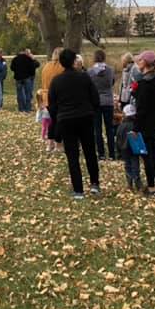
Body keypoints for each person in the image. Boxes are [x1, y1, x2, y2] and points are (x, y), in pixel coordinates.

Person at [47, 48, 101, 198]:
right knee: (90, 151)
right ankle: (95, 183)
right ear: (73, 61)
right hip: (85, 117)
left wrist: (57, 118)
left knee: (72, 155)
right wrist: (92, 112)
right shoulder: (84, 78)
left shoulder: (56, 81)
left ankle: (78, 190)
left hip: (66, 119)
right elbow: (95, 98)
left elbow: (52, 104)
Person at [133, 50, 155, 195]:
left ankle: (151, 185)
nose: (138, 63)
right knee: (154, 154)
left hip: (146, 124)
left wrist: (135, 128)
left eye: (140, 61)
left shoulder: (144, 83)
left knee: (147, 156)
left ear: (145, 63)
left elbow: (142, 109)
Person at [87, 50, 116, 159]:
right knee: (109, 128)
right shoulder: (110, 70)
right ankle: (112, 153)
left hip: (95, 102)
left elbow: (88, 86)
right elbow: (112, 83)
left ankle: (101, 154)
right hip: (108, 101)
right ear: (104, 57)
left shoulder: (90, 72)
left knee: (97, 128)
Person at [116, 103, 141, 191]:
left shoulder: (121, 126)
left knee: (127, 165)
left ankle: (129, 183)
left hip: (124, 149)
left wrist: (118, 152)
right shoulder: (136, 125)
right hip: (134, 149)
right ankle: (138, 183)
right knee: (135, 165)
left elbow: (118, 139)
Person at [10, 48, 39, 113]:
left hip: (18, 78)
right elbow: (32, 67)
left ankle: (21, 108)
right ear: (24, 52)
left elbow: (12, 68)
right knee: (28, 93)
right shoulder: (28, 58)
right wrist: (30, 74)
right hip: (27, 78)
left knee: (19, 94)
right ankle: (27, 108)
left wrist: (17, 71)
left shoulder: (15, 59)